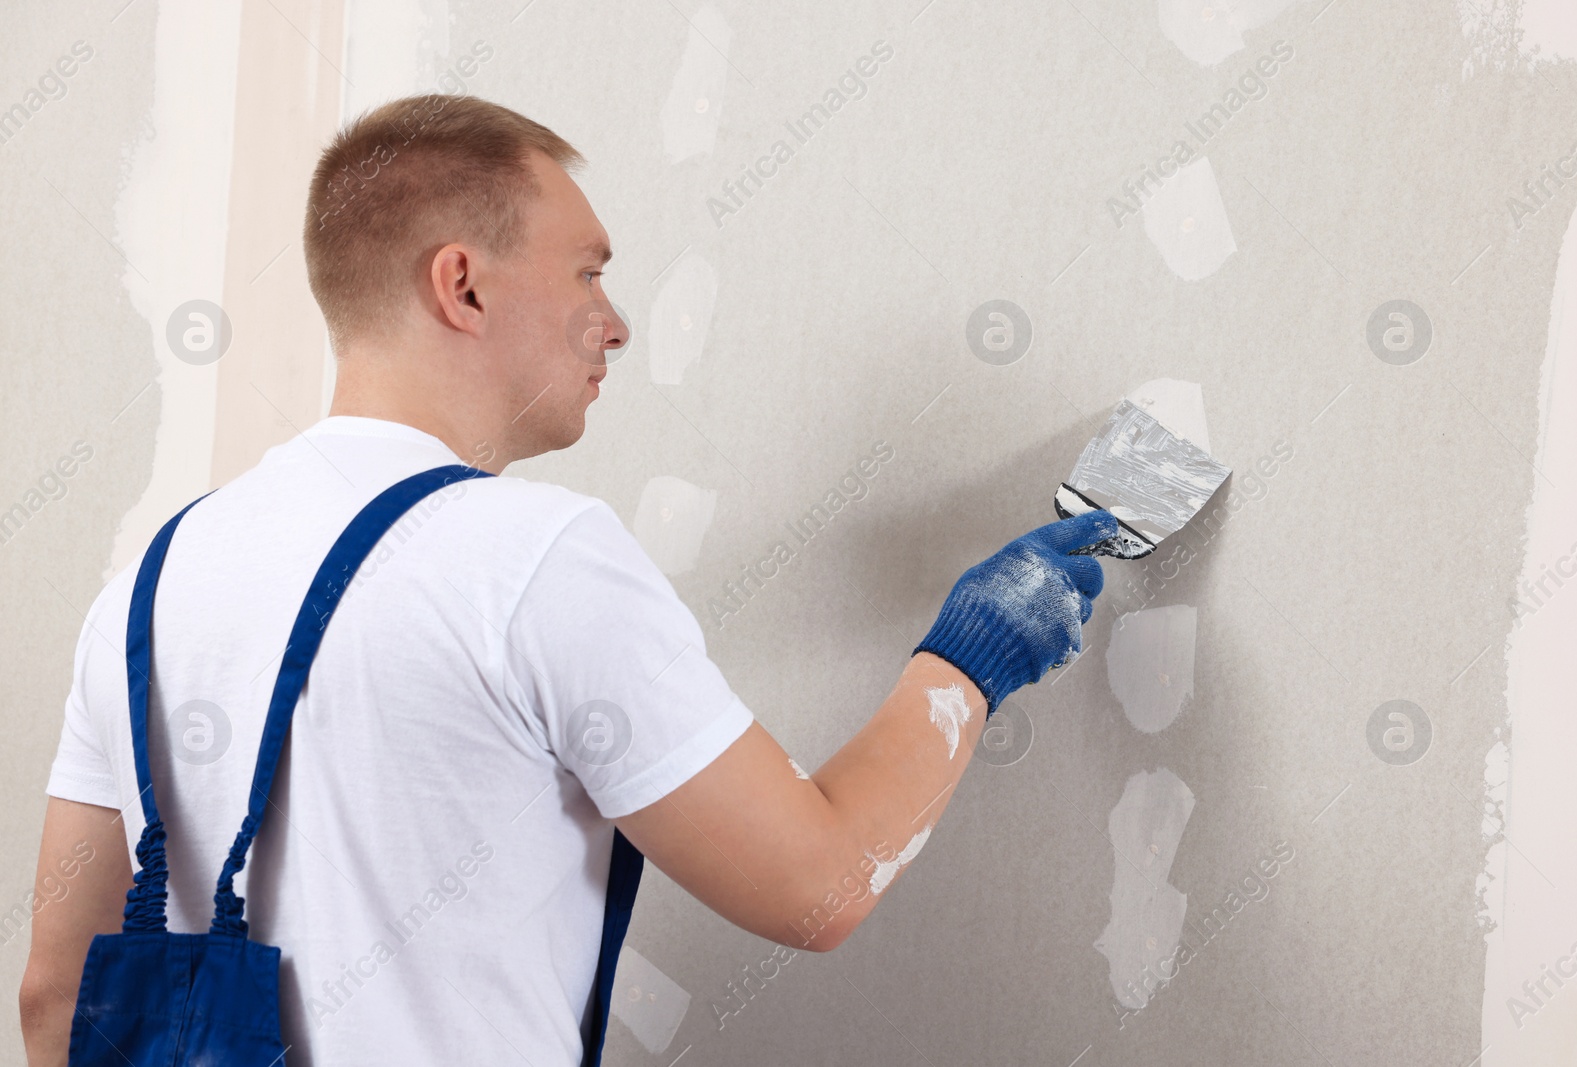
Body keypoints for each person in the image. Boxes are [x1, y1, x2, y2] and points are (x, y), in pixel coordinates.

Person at [18, 93, 1112, 1065]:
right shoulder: (533, 556)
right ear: (462, 284)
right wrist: (970, 658)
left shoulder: (150, 586)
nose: (617, 322)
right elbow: (816, 886)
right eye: (587, 271)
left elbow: (55, 997)